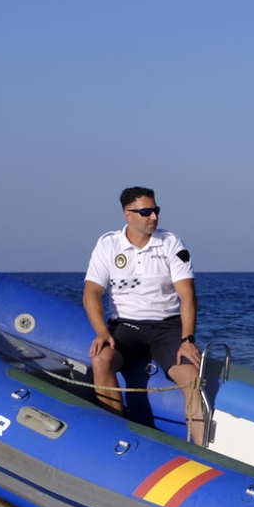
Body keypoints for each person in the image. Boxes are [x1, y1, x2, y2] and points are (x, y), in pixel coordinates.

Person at [82, 187, 204, 443]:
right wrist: (102, 333)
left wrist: (188, 339)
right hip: (127, 328)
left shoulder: (170, 243)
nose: (154, 217)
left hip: (167, 328)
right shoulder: (108, 245)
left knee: (191, 377)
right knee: (101, 361)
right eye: (146, 212)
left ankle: (202, 451)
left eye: (155, 210)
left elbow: (188, 296)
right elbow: (91, 293)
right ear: (129, 215)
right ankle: (112, 436)